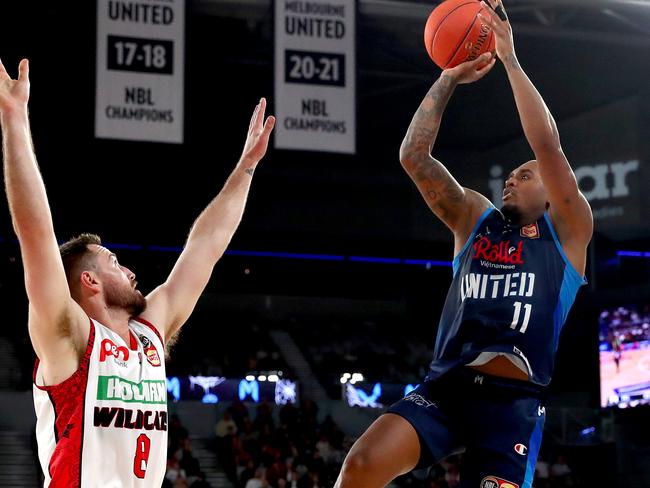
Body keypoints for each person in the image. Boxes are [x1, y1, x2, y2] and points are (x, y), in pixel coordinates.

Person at [334, 1, 593, 487]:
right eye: (510, 176)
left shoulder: (569, 234)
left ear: (551, 191)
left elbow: (547, 147)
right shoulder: (475, 218)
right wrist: (448, 78)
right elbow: (413, 156)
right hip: (447, 387)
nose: (511, 182)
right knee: (361, 466)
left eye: (524, 175)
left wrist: (511, 61)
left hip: (513, 405)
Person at [0, 56, 275, 487]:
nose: (129, 270)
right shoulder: (70, 338)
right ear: (87, 281)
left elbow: (204, 248)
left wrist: (245, 170)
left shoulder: (149, 332)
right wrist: (15, 120)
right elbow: (36, 234)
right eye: (112, 262)